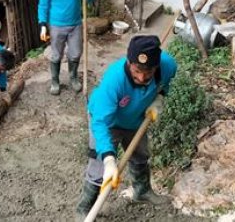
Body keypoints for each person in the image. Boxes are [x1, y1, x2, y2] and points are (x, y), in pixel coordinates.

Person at [75, 35, 177, 220]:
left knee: (140, 155)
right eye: (137, 70)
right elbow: (100, 123)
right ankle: (85, 208)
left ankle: (142, 191)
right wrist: (109, 159)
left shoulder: (168, 65)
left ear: (157, 66)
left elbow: (165, 83)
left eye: (148, 72)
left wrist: (160, 97)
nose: (141, 77)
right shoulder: (114, 81)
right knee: (99, 167)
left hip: (135, 121)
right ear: (129, 62)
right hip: (107, 121)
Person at [38, 0, 92, 95]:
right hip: (56, 26)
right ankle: (55, 81)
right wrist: (43, 24)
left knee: (75, 53)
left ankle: (73, 78)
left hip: (75, 25)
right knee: (56, 55)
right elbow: (43, 6)